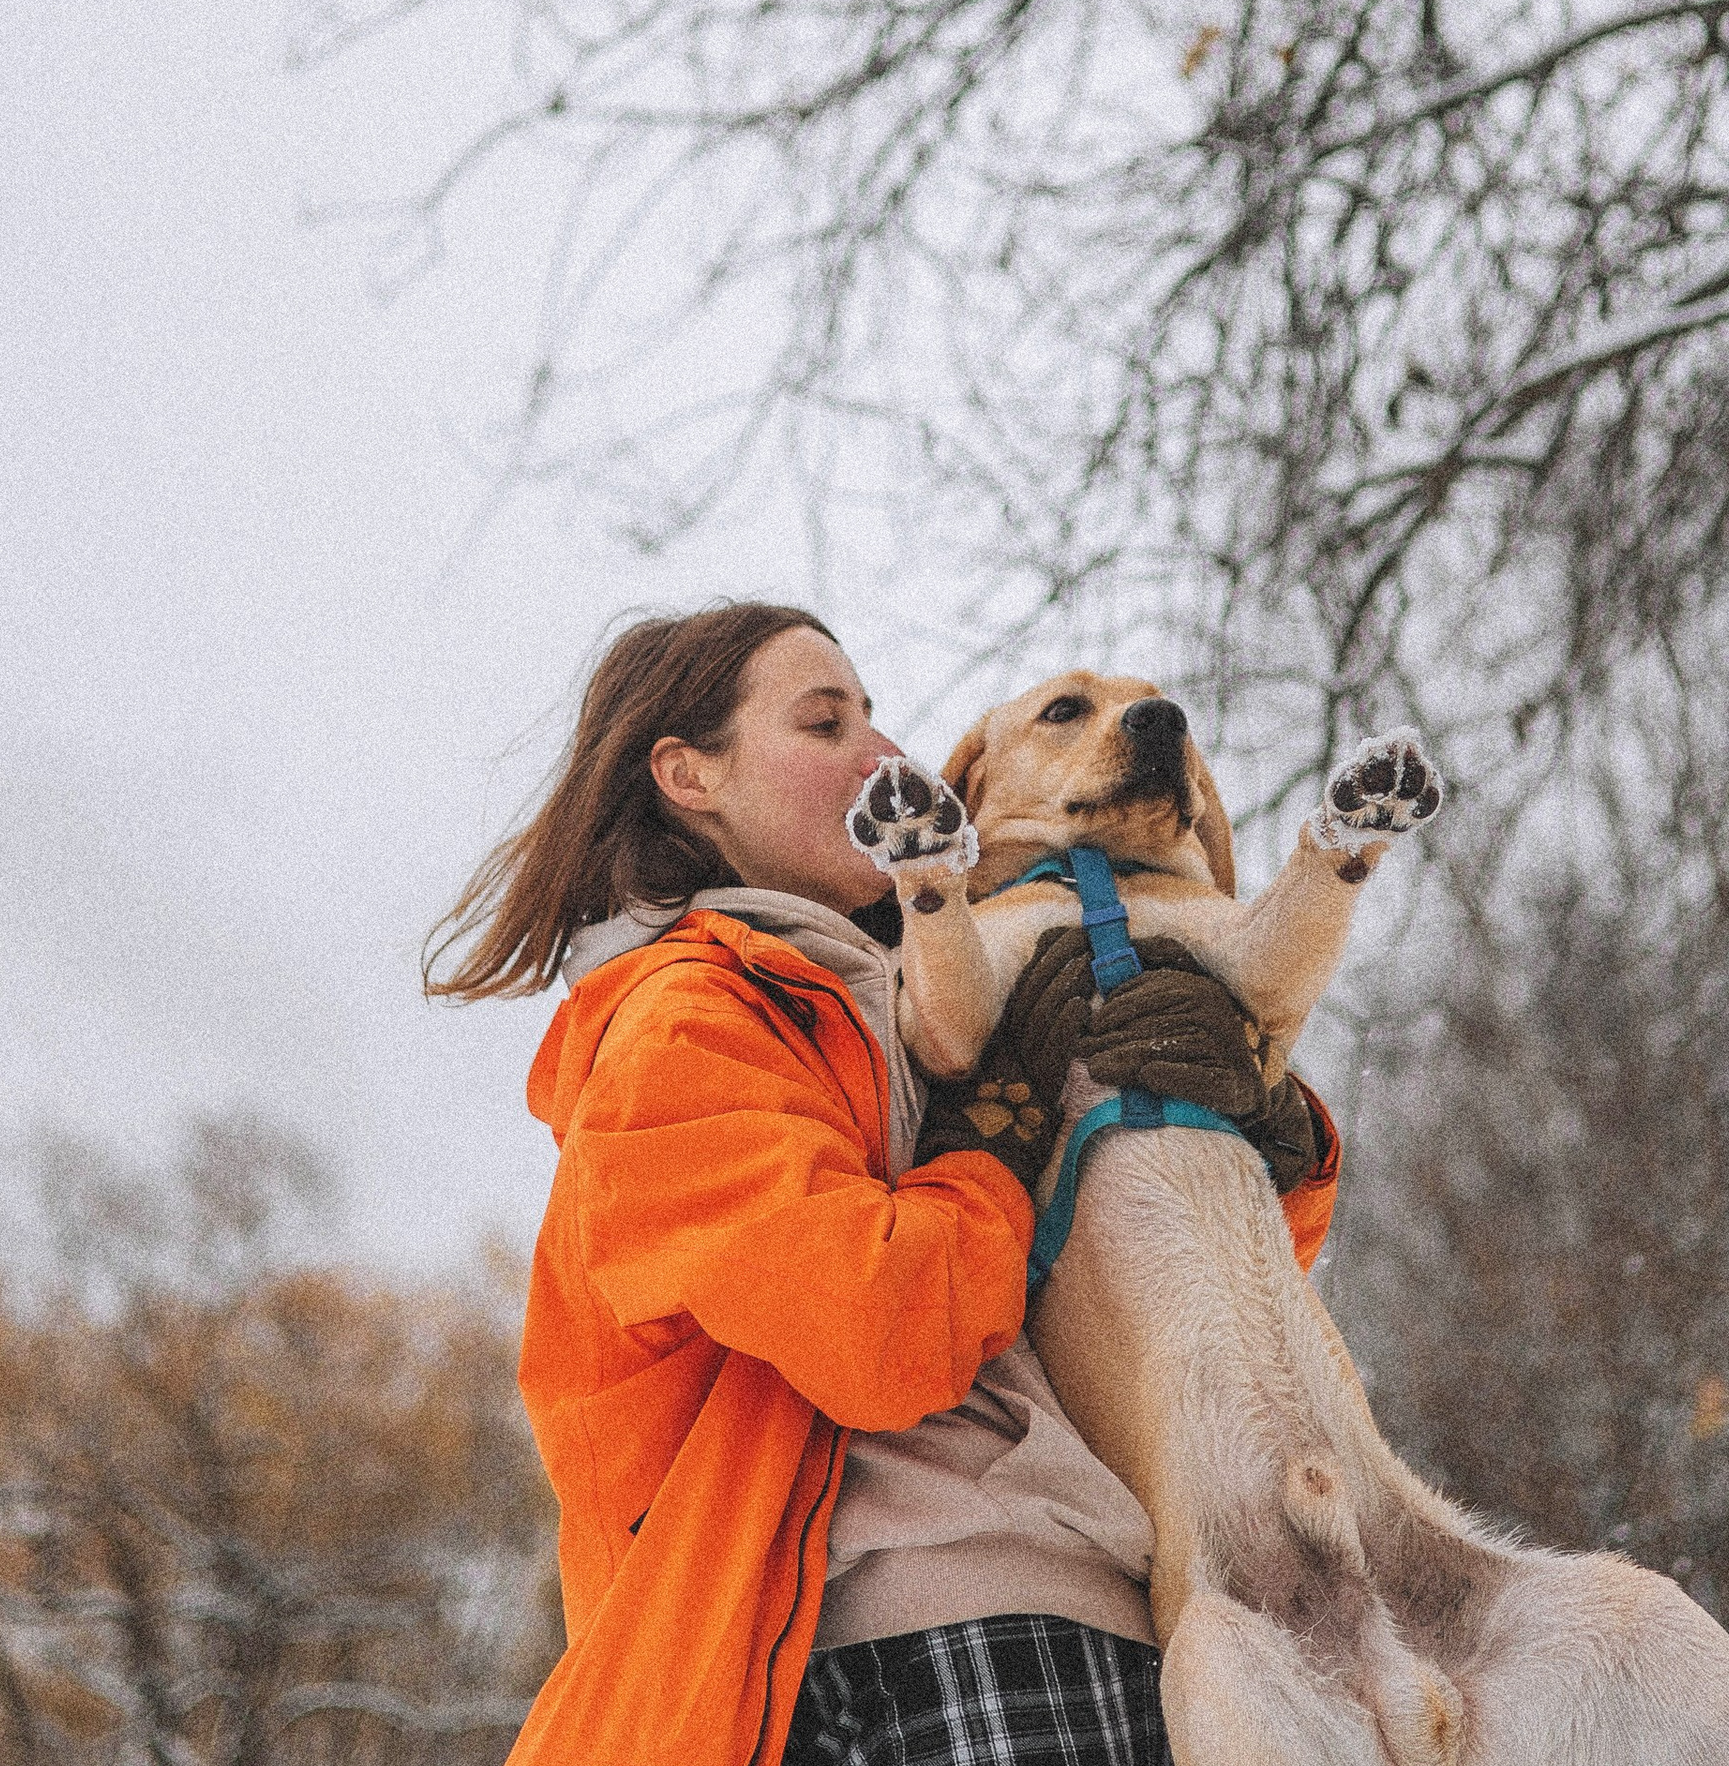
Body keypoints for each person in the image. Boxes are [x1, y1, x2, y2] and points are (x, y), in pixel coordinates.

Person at [429, 603, 1343, 1766]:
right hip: (922, 1625)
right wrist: (994, 1130)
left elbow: (1142, 1280)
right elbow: (881, 1323)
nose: (887, 755)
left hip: (1104, 1595)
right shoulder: (682, 1029)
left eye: (876, 716)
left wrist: (1266, 1124)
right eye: (825, 724)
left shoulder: (900, 988)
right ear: (687, 775)